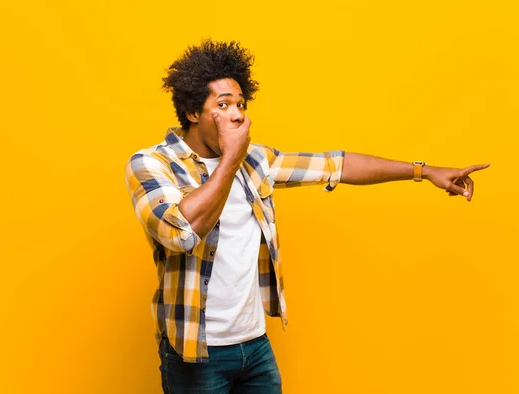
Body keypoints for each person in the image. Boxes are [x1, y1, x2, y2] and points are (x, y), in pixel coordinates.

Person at [124, 39, 489, 393]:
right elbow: (182, 233)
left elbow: (336, 165)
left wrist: (422, 171)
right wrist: (231, 159)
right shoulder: (152, 164)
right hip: (196, 352)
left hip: (253, 346)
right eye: (222, 104)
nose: (237, 114)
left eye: (240, 103)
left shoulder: (257, 162)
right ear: (192, 112)